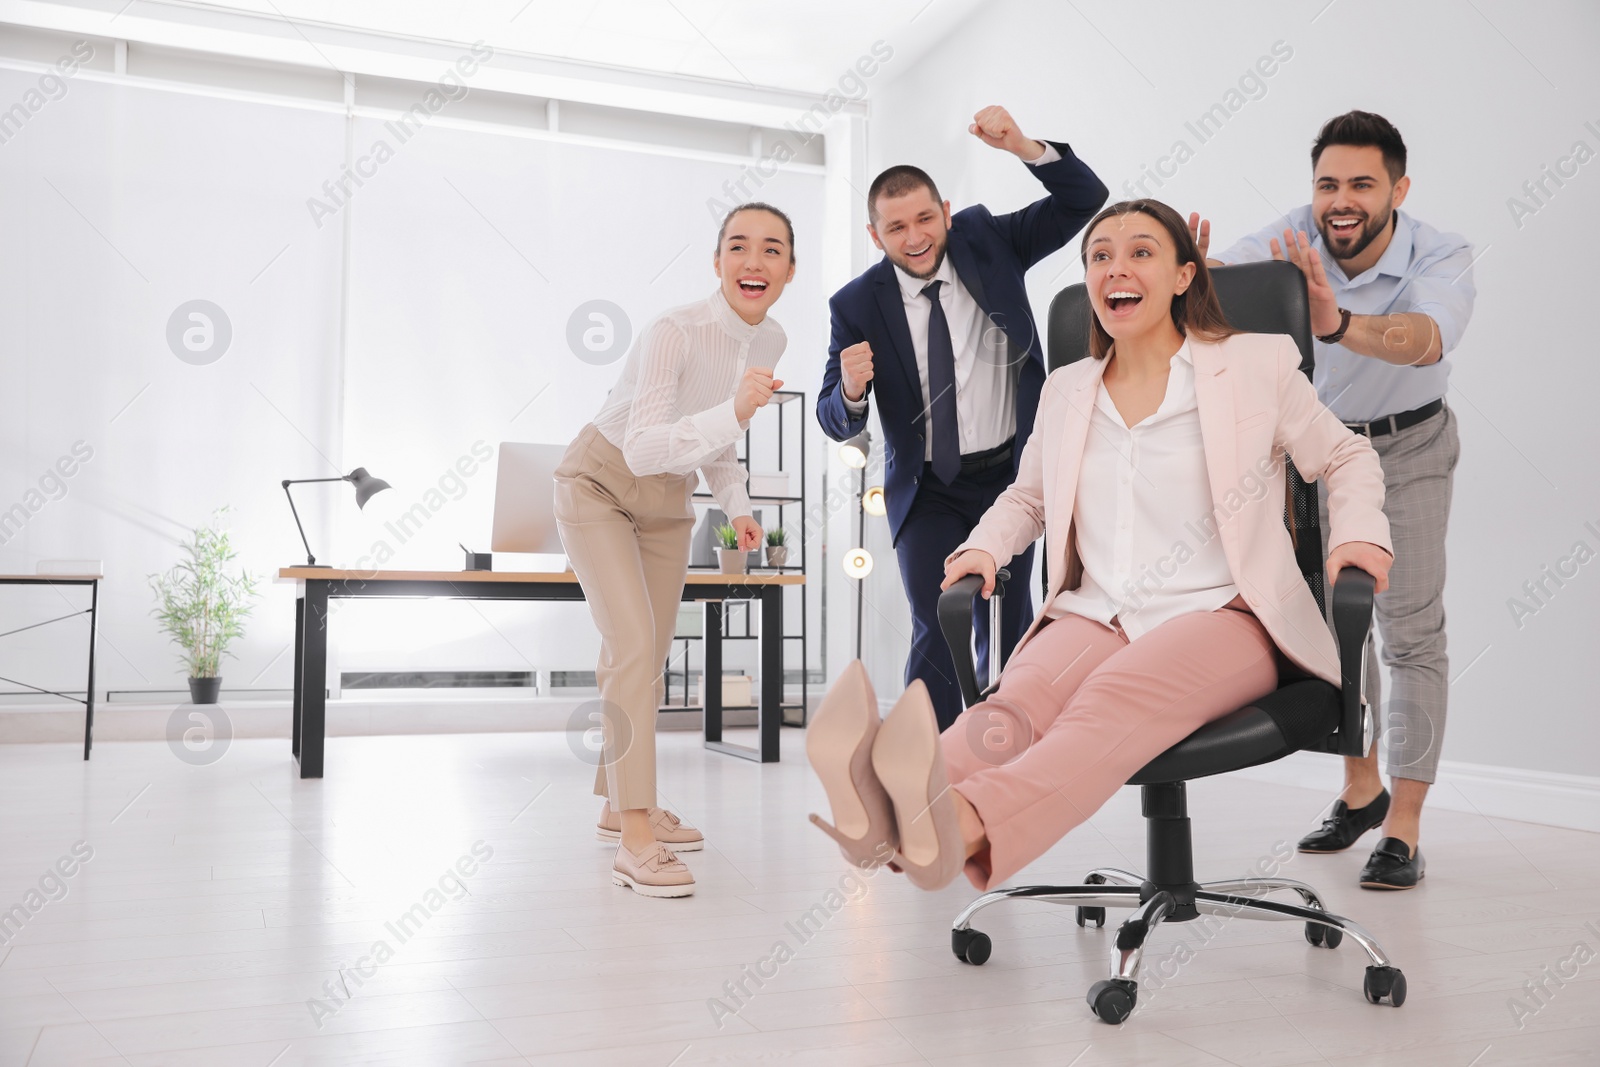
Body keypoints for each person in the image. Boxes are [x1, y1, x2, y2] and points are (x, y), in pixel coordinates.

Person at [806, 199, 1393, 894]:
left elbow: (1348, 456)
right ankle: (878, 810)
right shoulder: (1068, 387)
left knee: (1108, 699)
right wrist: (985, 549)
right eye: (1100, 256)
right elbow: (1029, 497)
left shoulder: (1253, 364)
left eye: (1141, 252)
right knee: (1010, 710)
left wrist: (1356, 539)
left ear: (1183, 275)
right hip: (1098, 611)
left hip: (1224, 614)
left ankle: (959, 822)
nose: (1117, 267)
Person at [1195, 110, 1475, 889]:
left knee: (1410, 633)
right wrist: (1184, 264)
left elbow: (1428, 338)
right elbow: (1227, 279)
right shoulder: (1295, 234)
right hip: (1316, 456)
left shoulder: (1441, 251)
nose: (1339, 200)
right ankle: (1360, 786)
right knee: (1332, 630)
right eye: (1327, 184)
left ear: (1398, 188)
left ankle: (1405, 826)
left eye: (1360, 183)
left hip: (1410, 446)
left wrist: (1338, 322)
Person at [816, 105, 1108, 731]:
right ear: (876, 236)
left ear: (946, 212)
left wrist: (1023, 146)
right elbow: (834, 418)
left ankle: (1000, 754)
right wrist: (850, 389)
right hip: (929, 490)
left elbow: (1087, 198)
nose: (915, 236)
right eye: (897, 227)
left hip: (1013, 478)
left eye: (925, 218)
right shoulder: (855, 304)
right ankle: (926, 770)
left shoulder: (987, 240)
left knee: (1008, 622)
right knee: (938, 621)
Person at [554, 203, 794, 898]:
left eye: (772, 249)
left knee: (649, 653)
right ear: (717, 261)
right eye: (739, 247)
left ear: (789, 270)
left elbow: (715, 442)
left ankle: (614, 798)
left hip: (666, 502)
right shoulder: (673, 330)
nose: (755, 261)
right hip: (599, 481)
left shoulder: (772, 338)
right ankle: (635, 834)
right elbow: (644, 443)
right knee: (631, 647)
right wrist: (737, 412)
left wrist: (740, 508)